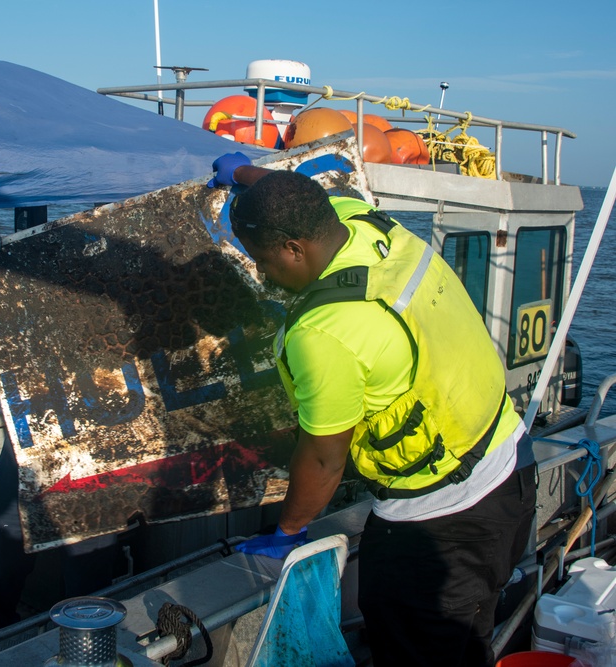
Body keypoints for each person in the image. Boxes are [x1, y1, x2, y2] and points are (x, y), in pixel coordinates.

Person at [207, 152, 536, 667]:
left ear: (294, 247)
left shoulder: (324, 333)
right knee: (469, 643)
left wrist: (288, 531)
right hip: (511, 464)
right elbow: (296, 198)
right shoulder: (359, 218)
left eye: (264, 260)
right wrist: (245, 174)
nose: (262, 272)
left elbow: (324, 459)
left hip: (440, 525)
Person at [0, 229, 118, 632]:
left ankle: (87, 636)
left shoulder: (115, 312)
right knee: (2, 544)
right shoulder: (16, 305)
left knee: (91, 558)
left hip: (93, 455)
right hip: (24, 453)